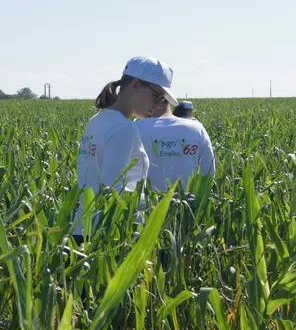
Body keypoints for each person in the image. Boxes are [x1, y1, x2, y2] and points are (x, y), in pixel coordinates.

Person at [73, 57, 179, 243]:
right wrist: (158, 202)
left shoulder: (97, 121)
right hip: (108, 236)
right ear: (136, 85)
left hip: (83, 228)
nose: (158, 105)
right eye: (158, 96)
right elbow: (111, 191)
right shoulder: (124, 129)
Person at [136, 97, 214, 192]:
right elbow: (208, 171)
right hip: (187, 202)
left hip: (143, 204)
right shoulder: (196, 128)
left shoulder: (135, 128)